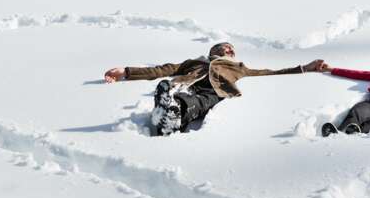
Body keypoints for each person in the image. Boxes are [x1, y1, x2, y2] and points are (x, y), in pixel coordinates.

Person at [104, 42, 324, 135]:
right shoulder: (194, 63)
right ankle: (167, 110)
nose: (230, 51)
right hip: (188, 86)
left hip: (215, 92)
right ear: (213, 51)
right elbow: (163, 69)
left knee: (200, 101)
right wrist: (126, 72)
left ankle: (172, 114)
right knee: (178, 92)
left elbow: (271, 73)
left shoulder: (239, 68)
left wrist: (306, 68)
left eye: (231, 50)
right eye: (225, 48)